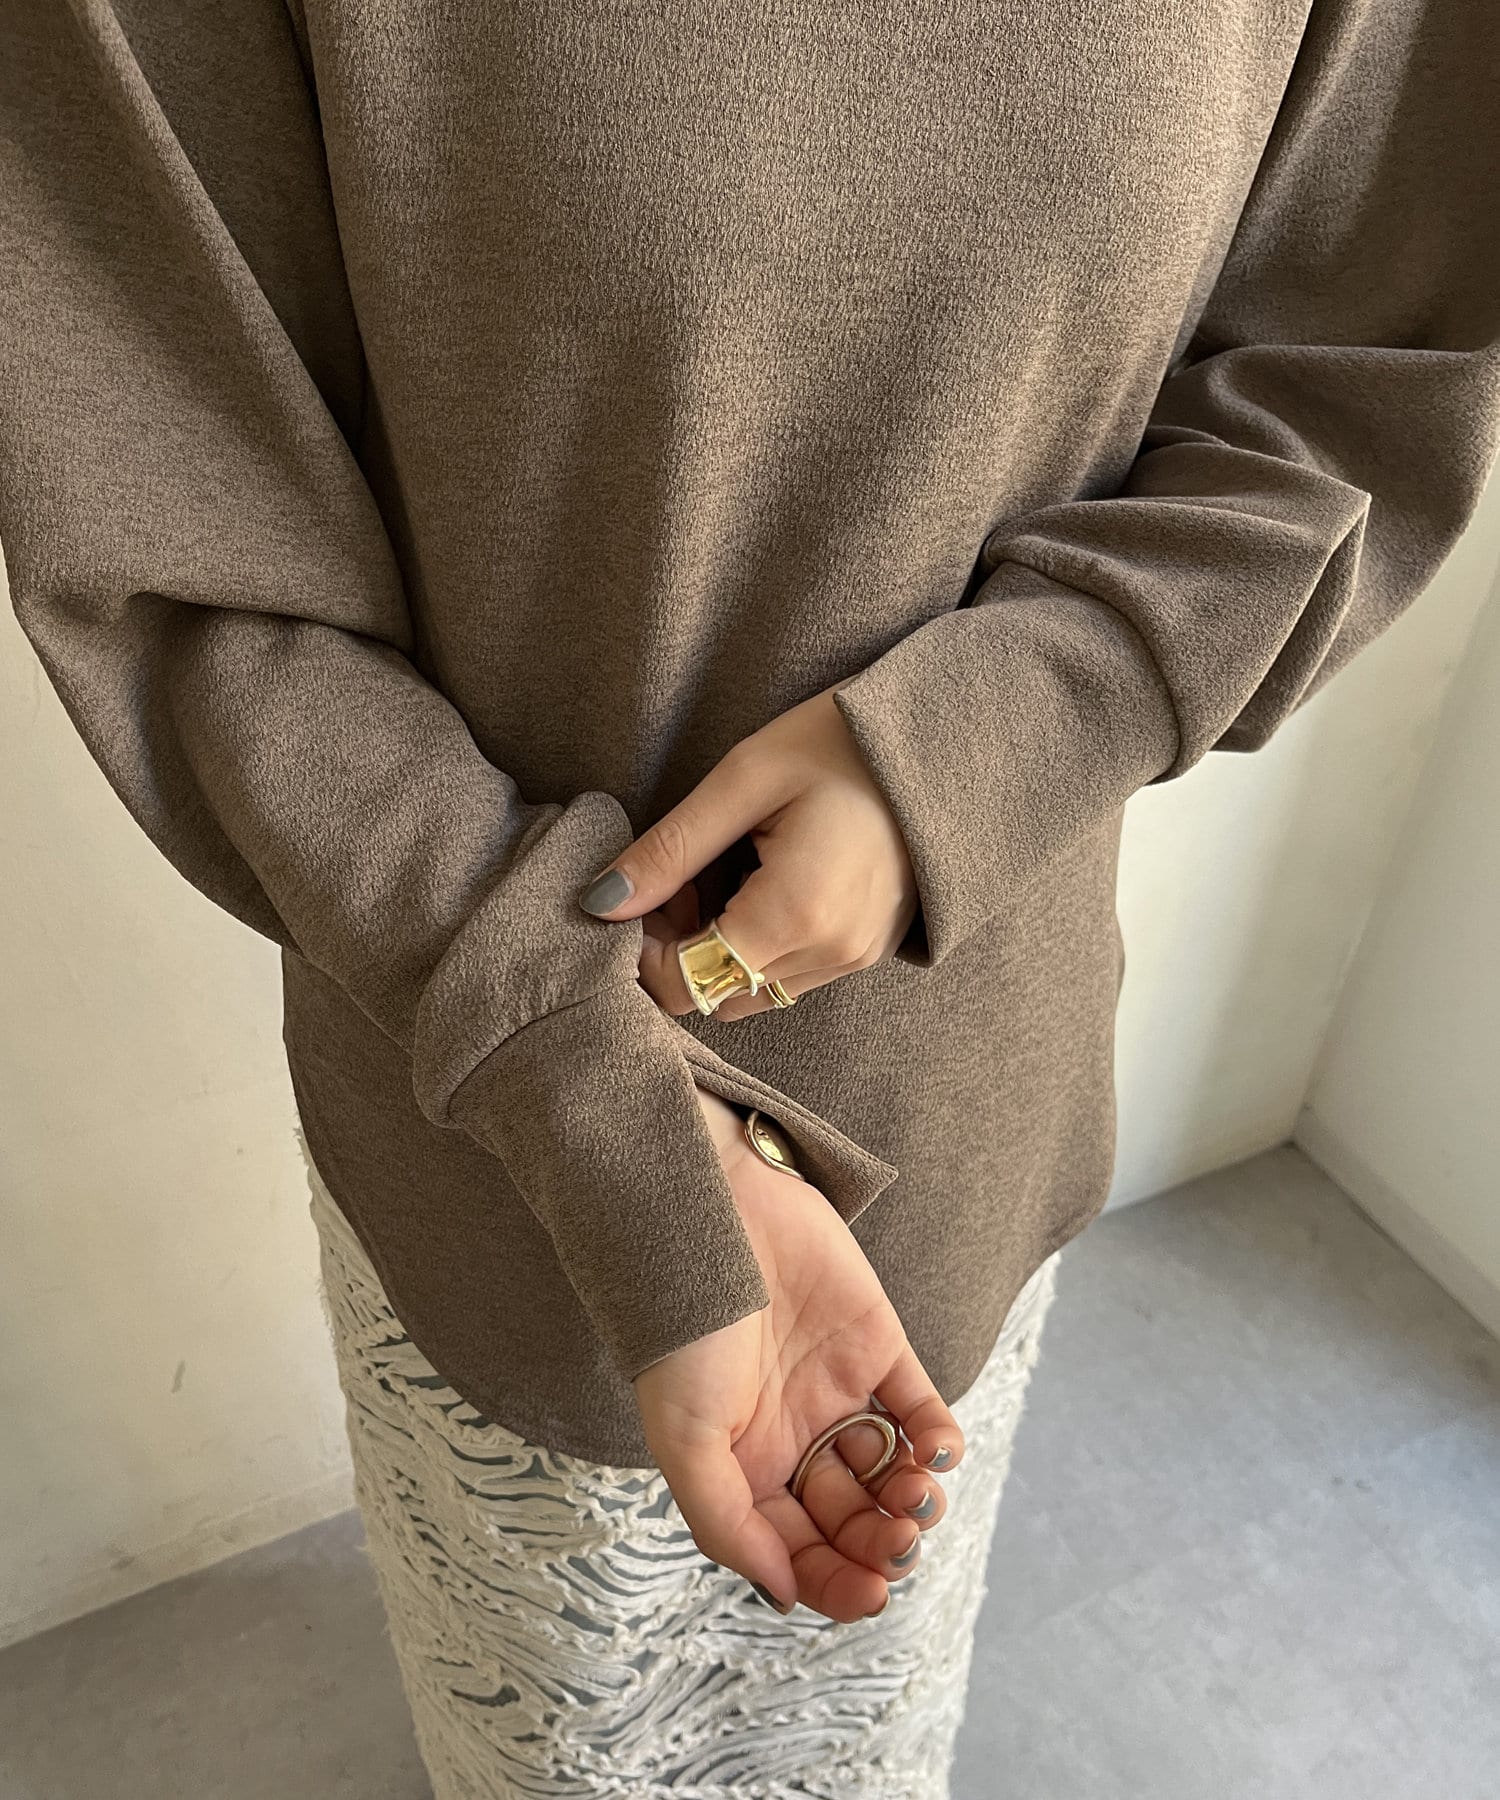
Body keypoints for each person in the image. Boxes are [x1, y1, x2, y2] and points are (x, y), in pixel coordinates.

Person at [3, 0, 1497, 1793]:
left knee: (867, 1734)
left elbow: (1369, 367)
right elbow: (181, 554)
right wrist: (595, 1090)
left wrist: (1006, 728)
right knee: (555, 1744)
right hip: (493, 1143)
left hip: (969, 1084)